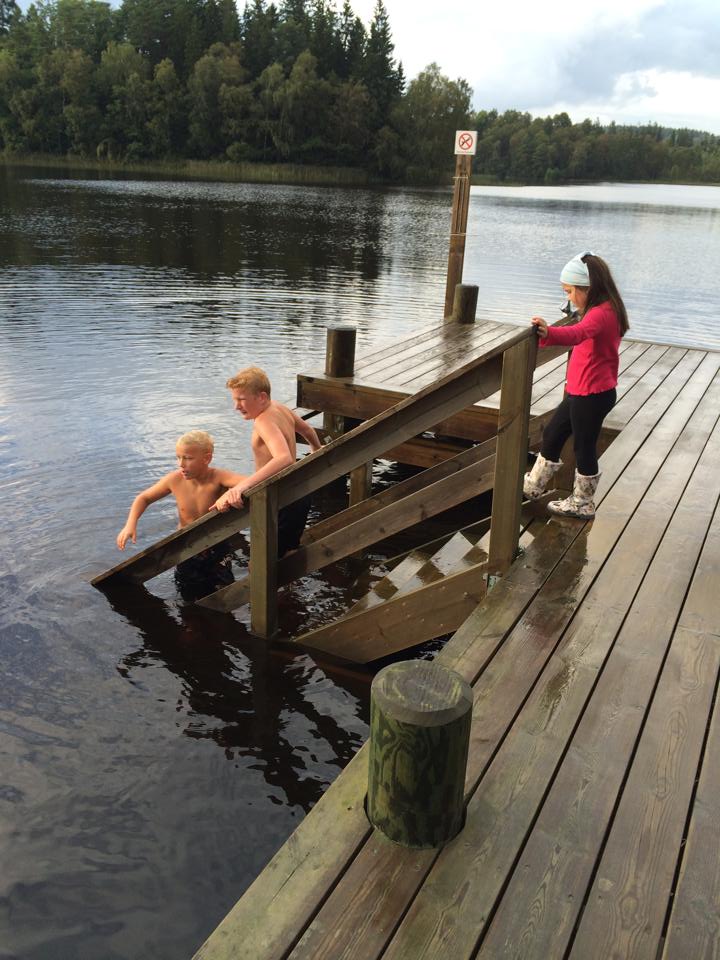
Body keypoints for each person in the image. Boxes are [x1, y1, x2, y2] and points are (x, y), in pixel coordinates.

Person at [523, 251, 629, 519]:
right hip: (582, 391)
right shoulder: (603, 308)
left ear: (587, 288)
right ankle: (533, 486)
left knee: (584, 446)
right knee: (553, 433)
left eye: (570, 291)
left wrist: (549, 332)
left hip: (592, 394)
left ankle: (583, 502)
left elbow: (578, 333)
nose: (568, 298)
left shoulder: (600, 314)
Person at [116, 430, 244, 596]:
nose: (181, 464)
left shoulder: (218, 477)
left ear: (206, 458)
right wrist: (130, 524)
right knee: (187, 591)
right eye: (178, 457)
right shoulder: (174, 480)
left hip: (216, 545)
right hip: (186, 547)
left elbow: (250, 481)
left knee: (224, 589)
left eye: (188, 458)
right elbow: (144, 498)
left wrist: (230, 493)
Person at [213, 366, 322, 557]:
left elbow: (284, 458)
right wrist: (316, 449)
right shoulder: (279, 408)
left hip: (282, 498)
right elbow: (307, 430)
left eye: (241, 399)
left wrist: (241, 487)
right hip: (299, 492)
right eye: (234, 400)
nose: (236, 406)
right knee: (288, 552)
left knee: (263, 559)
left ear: (261, 397)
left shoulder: (263, 421)